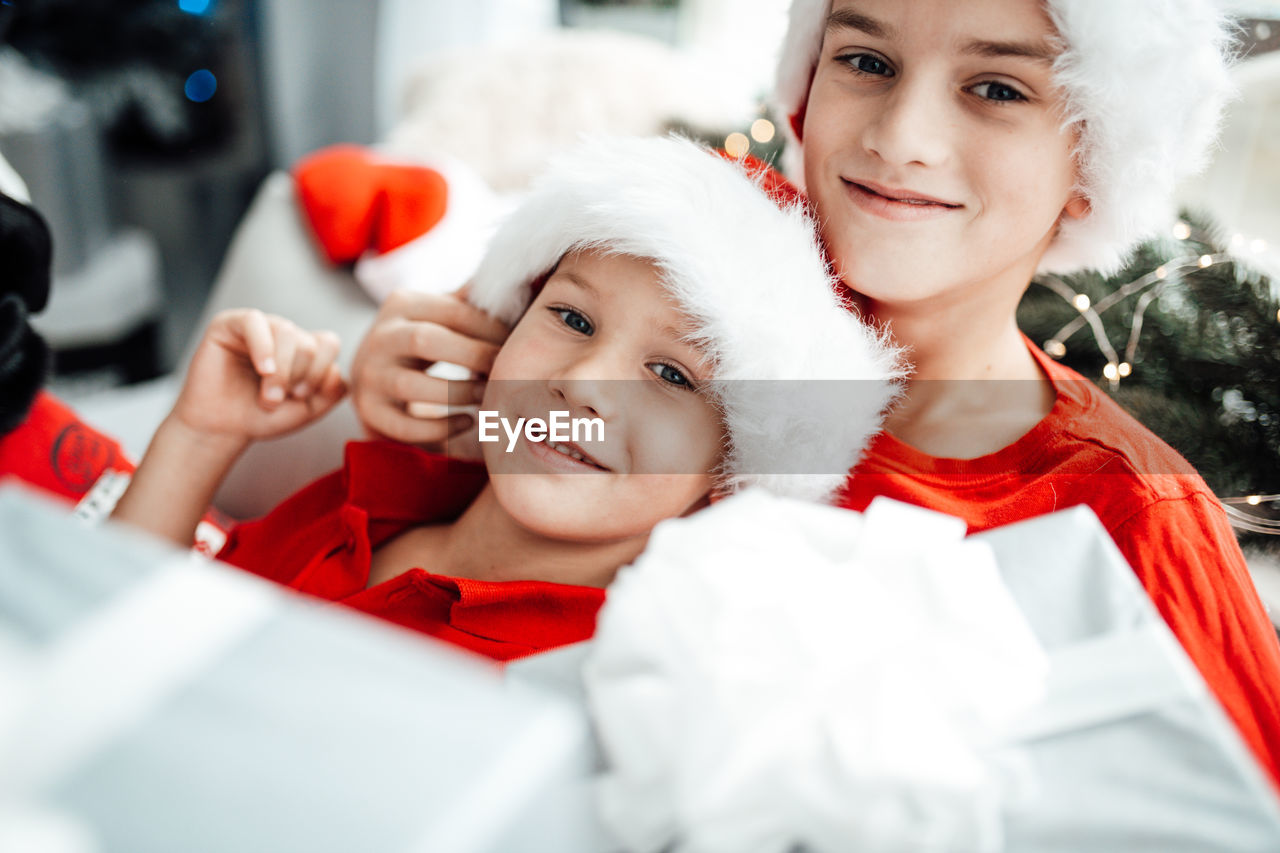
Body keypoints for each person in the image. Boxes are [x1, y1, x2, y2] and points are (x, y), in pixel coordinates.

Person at [346, 0, 1280, 783]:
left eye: (996, 88)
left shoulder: (1128, 521)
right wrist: (427, 377)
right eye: (865, 60)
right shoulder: (668, 286)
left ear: (1092, 164)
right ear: (800, 97)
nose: (900, 136)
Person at [111, 135, 900, 662]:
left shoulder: (596, 668)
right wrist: (200, 434)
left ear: (732, 467)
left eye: (672, 376)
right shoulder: (381, 497)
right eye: (571, 317)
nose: (586, 381)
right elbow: (119, 639)